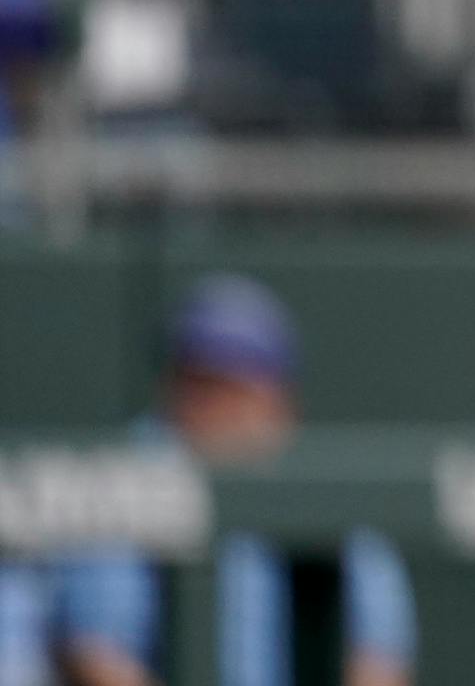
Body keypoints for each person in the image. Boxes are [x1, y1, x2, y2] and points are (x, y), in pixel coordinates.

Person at [0, 276, 417, 686]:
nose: (220, 408)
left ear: (279, 399)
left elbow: (379, 655)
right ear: (173, 386)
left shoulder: (321, 489)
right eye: (202, 383)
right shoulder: (131, 472)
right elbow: (96, 654)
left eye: (239, 388)